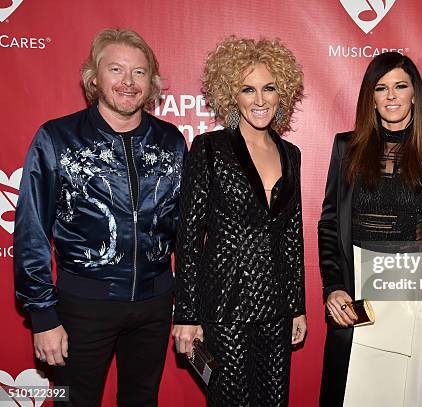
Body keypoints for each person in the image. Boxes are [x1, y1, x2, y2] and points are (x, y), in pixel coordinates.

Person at [13, 28, 187, 406]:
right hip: (81, 307)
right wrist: (43, 316)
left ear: (152, 83)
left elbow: (186, 231)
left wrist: (187, 305)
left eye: (139, 72)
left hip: (155, 306)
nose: (128, 82)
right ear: (94, 77)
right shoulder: (57, 138)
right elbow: (31, 232)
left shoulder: (172, 141)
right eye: (116, 70)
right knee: (72, 401)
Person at [172, 36, 306, 407]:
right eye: (248, 89)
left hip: (276, 307)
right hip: (223, 307)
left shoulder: (290, 153)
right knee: (228, 400)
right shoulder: (209, 148)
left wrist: (297, 305)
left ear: (283, 92)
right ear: (233, 94)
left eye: (269, 88)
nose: (259, 100)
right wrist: (186, 313)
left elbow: (292, 237)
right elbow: (188, 237)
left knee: (273, 400)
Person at [318, 52, 422, 407]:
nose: (391, 96)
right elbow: (330, 223)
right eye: (381, 88)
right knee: (355, 394)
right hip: (357, 293)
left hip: (417, 293)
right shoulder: (346, 148)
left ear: (414, 95)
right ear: (371, 97)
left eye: (400, 86)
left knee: (413, 394)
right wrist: (333, 286)